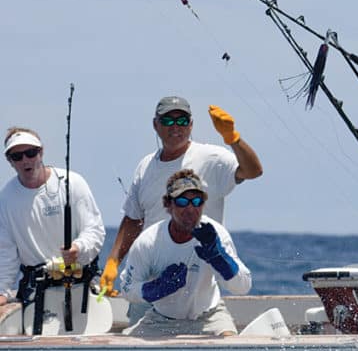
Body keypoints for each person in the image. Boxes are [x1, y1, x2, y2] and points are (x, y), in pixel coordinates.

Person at [99, 96, 263, 298]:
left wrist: (233, 139)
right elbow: (134, 219)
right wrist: (113, 261)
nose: (175, 126)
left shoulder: (213, 157)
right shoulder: (145, 166)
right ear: (155, 125)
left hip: (197, 279)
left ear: (191, 124)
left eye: (182, 121)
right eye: (168, 120)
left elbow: (253, 171)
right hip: (152, 279)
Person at [119, 169, 252, 337]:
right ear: (168, 205)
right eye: (182, 201)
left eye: (197, 201)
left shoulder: (216, 234)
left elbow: (243, 287)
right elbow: (127, 288)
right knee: (129, 349)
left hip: (210, 317)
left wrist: (220, 259)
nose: (190, 209)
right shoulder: (149, 241)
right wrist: (157, 288)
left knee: (231, 344)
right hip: (162, 320)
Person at [0, 127, 105, 320]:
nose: (25, 160)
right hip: (36, 287)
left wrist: (78, 248)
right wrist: (3, 292)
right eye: (17, 156)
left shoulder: (73, 182)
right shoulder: (6, 198)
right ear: (10, 161)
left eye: (30, 153)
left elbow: (94, 229)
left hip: (79, 281)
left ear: (41, 152)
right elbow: (6, 252)